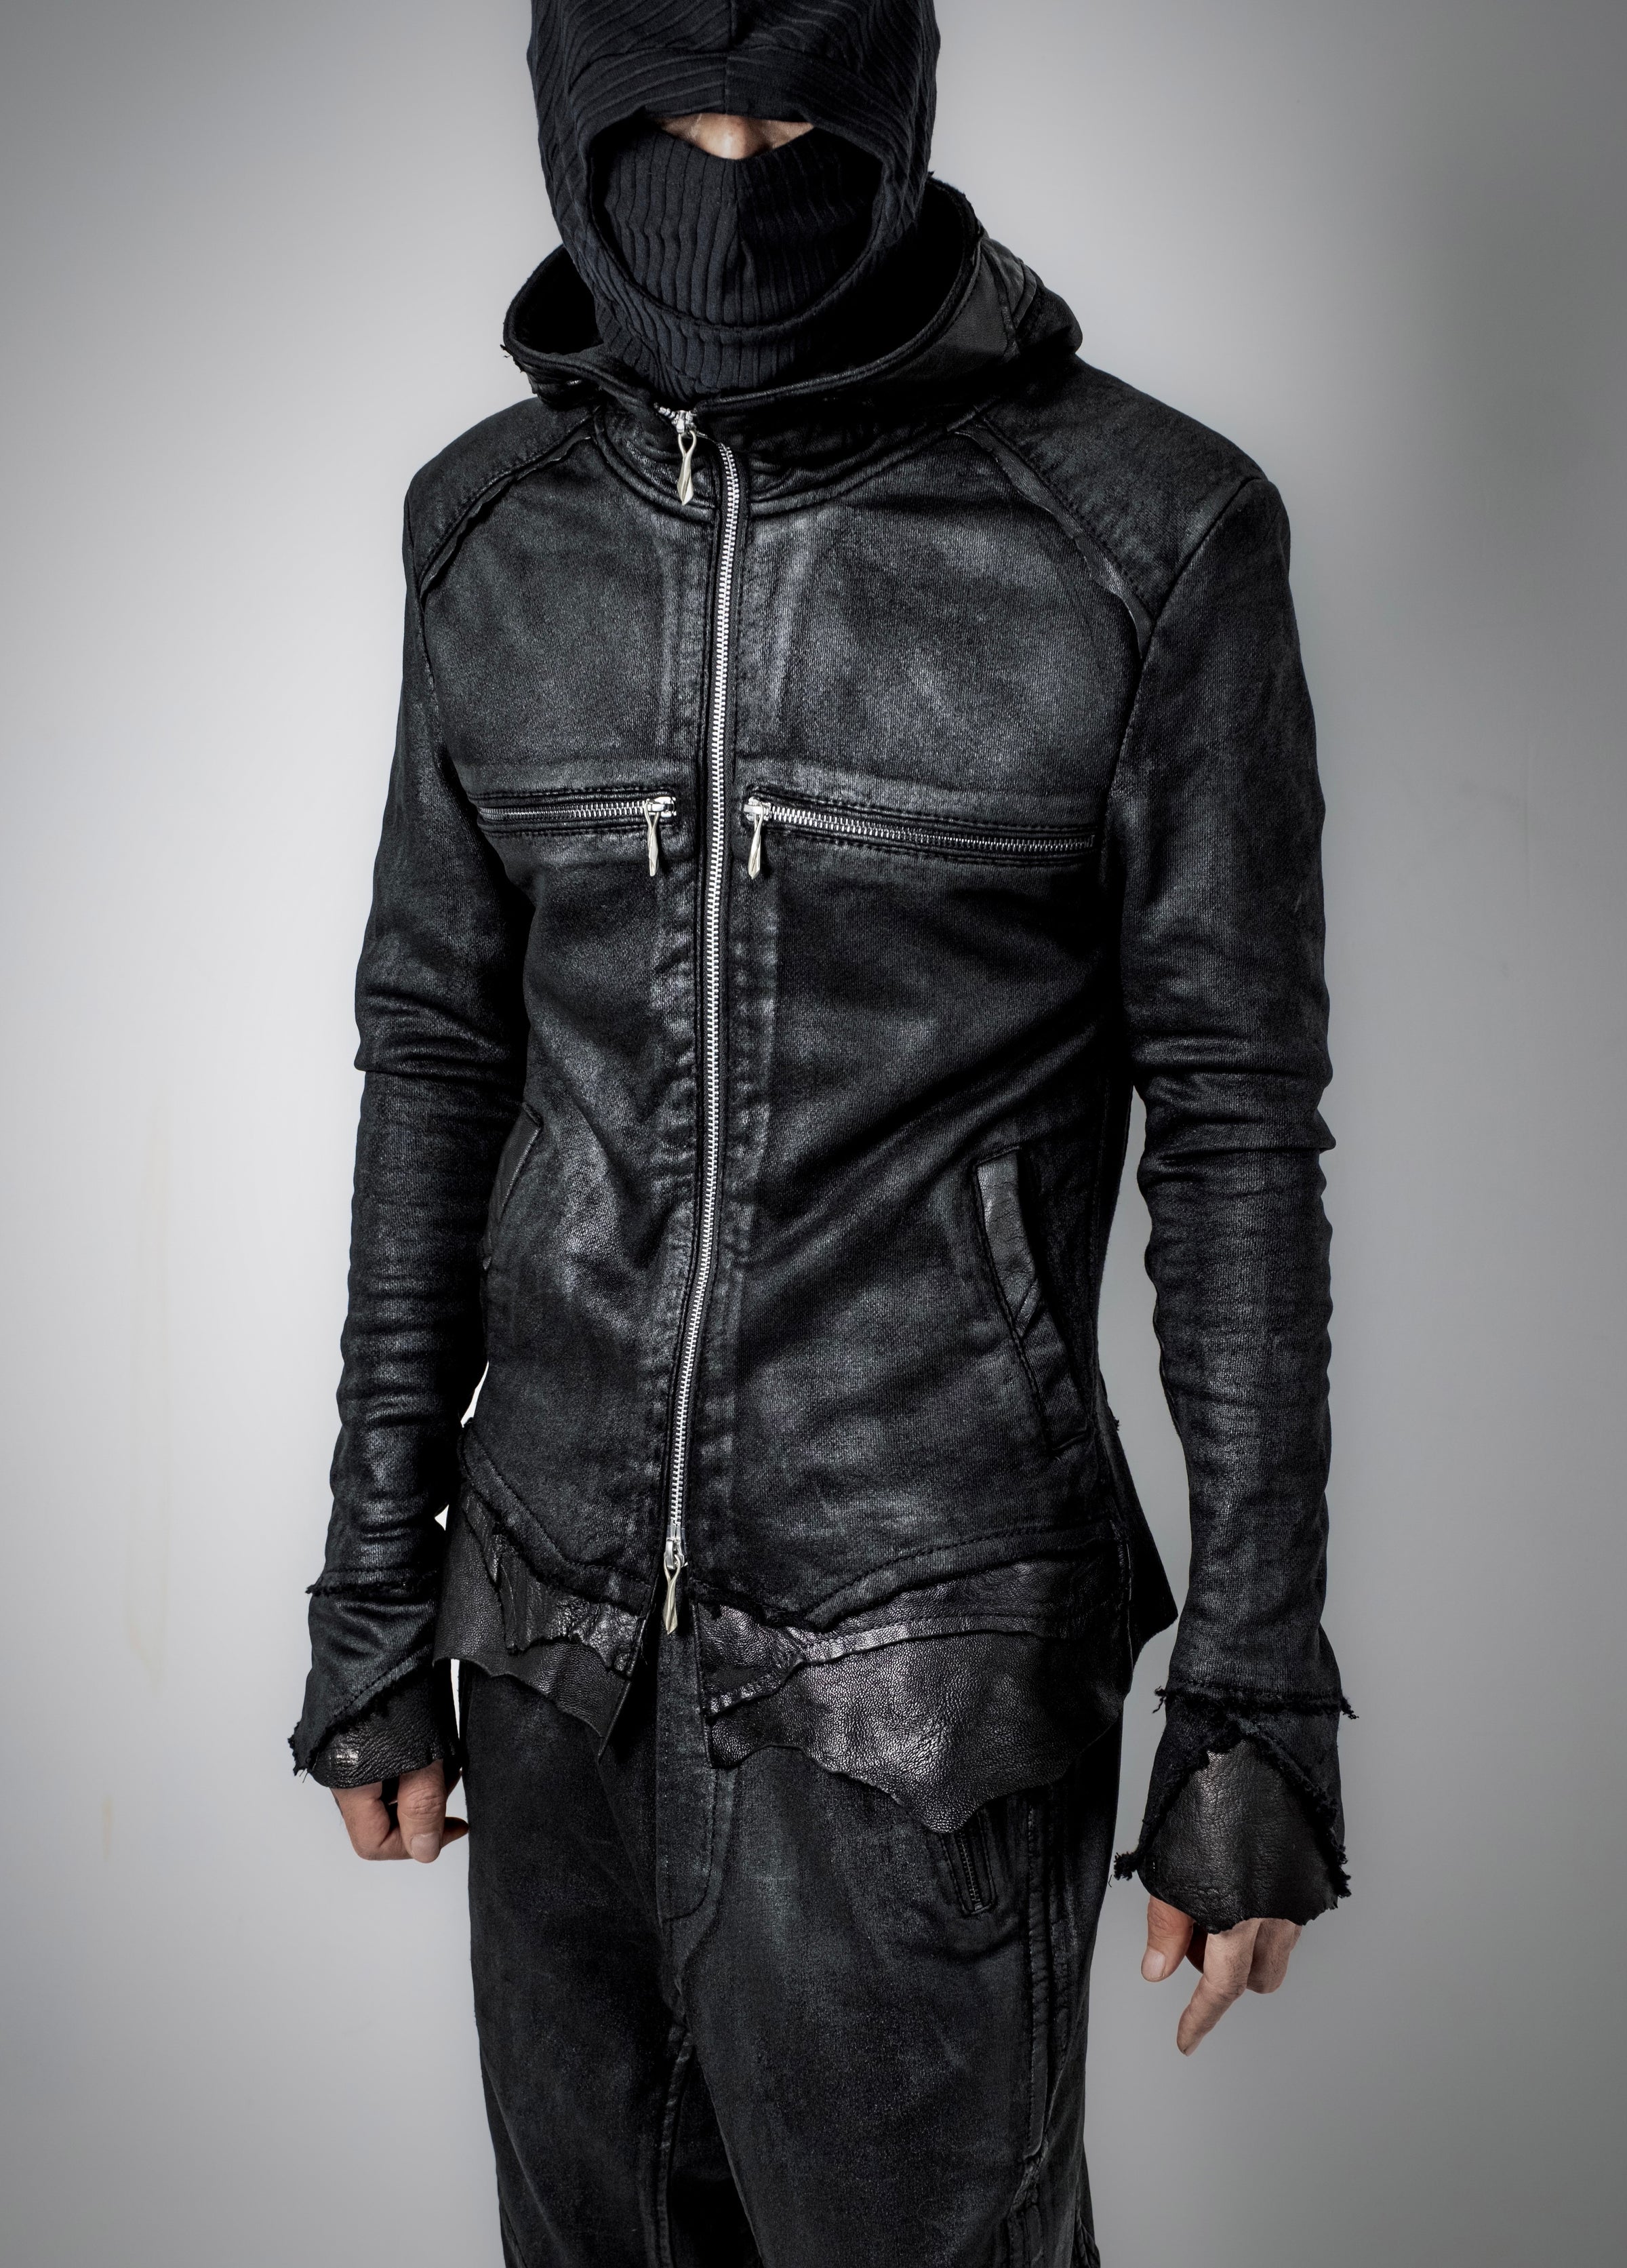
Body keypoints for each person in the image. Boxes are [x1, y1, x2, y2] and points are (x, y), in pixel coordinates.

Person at [292, 4, 1350, 2261]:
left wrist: (1259, 1702)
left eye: (791, 115)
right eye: (670, 120)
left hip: (925, 1703)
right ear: (570, 116)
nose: (735, 164)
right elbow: (435, 1059)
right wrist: (377, 1586)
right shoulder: (488, 530)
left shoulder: (1149, 536)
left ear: (898, 106)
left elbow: (1238, 1130)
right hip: (550, 1660)